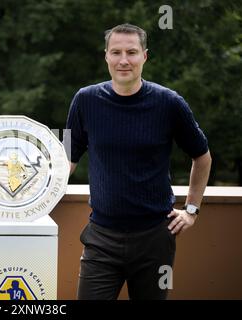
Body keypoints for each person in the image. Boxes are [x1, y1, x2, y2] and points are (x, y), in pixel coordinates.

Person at [65, 24, 212, 300]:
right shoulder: (84, 100)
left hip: (156, 239)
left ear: (145, 56)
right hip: (100, 238)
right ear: (106, 56)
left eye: (131, 52)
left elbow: (202, 156)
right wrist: (7, 203)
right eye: (116, 52)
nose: (123, 60)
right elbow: (64, 160)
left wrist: (191, 209)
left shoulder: (170, 103)